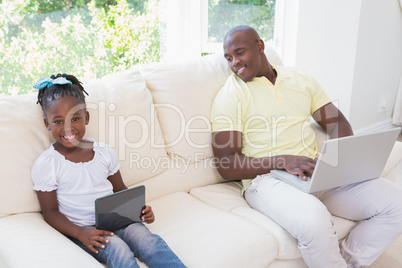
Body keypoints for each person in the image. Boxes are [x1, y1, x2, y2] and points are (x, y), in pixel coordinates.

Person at [210, 25, 402, 268]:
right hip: (267, 180)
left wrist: (339, 162)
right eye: (229, 58)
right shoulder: (230, 95)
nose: (234, 63)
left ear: (260, 46)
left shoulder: (300, 79)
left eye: (240, 52)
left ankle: (345, 263)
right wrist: (283, 161)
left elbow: (337, 122)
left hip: (316, 170)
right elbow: (226, 164)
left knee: (397, 204)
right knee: (315, 220)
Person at [31, 74, 186, 268]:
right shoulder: (47, 163)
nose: (68, 127)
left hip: (115, 218)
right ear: (47, 123)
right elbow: (50, 212)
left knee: (148, 241)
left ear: (86, 118)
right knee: (119, 250)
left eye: (75, 118)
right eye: (58, 121)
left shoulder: (103, 152)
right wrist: (80, 233)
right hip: (82, 230)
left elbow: (120, 189)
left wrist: (139, 209)